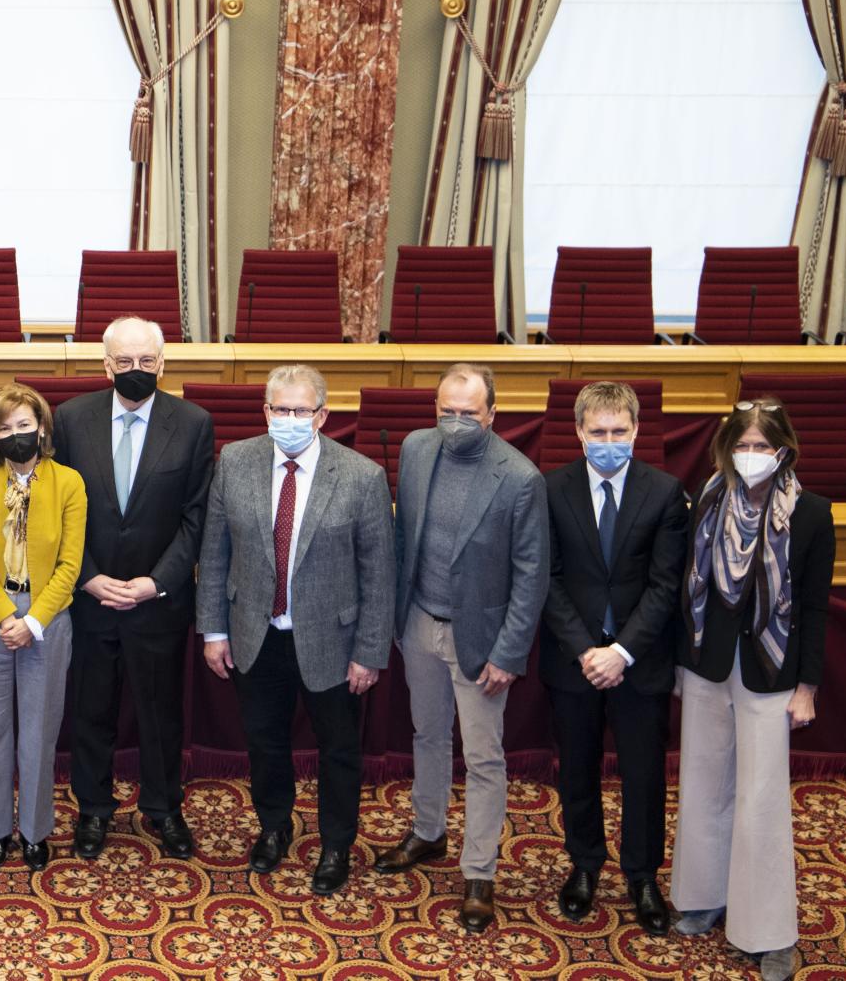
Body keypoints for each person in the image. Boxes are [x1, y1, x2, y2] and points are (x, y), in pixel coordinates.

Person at [197, 364, 393, 894]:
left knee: (338, 748)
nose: (287, 419)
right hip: (255, 635)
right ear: (264, 412)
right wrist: (214, 630)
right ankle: (274, 826)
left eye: (299, 411)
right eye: (278, 410)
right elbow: (215, 554)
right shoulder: (234, 461)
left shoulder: (361, 476)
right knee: (265, 742)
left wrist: (370, 652)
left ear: (322, 416)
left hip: (333, 640)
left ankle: (335, 845)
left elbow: (379, 573)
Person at [375, 362, 547, 933]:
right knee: (427, 733)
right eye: (446, 412)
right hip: (420, 621)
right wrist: (398, 621)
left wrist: (509, 652)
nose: (455, 423)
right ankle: (428, 831)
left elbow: (531, 576)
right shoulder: (418, 449)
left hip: (482, 639)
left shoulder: (519, 478)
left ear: (493, 414)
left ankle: (479, 871)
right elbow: (404, 535)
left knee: (482, 757)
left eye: (468, 414)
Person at [669, 399, 833, 981]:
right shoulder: (707, 500)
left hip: (772, 670)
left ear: (784, 449)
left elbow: (814, 607)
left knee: (761, 799)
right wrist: (680, 665)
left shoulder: (811, 514)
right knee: (705, 783)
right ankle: (704, 896)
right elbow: (688, 588)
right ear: (725, 449)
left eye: (763, 446)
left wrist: (807, 686)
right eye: (742, 445)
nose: (752, 456)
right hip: (708, 664)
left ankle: (767, 932)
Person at [52, 315, 214, 861]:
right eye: (125, 361)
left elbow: (196, 518)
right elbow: (59, 512)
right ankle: (93, 810)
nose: (136, 370)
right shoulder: (71, 420)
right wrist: (88, 576)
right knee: (91, 710)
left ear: (163, 364)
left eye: (147, 361)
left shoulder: (192, 423)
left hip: (157, 602)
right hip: (90, 596)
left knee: (161, 714)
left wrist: (156, 582)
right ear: (106, 365)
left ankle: (165, 809)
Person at [540, 381, 687, 933]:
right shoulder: (551, 490)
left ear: (636, 431)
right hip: (573, 661)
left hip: (639, 661)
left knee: (644, 774)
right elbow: (546, 580)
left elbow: (665, 585)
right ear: (579, 433)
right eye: (597, 432)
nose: (608, 441)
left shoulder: (666, 492)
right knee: (576, 769)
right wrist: (586, 650)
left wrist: (620, 652)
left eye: (618, 432)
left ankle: (643, 874)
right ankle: (584, 865)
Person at [0, 383, 86, 872]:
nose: (16, 435)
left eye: (24, 426)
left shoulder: (69, 483)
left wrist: (32, 620)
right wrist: (5, 616)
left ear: (42, 428)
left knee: (38, 729)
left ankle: (34, 830)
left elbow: (70, 564)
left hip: (47, 616)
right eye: (5, 427)